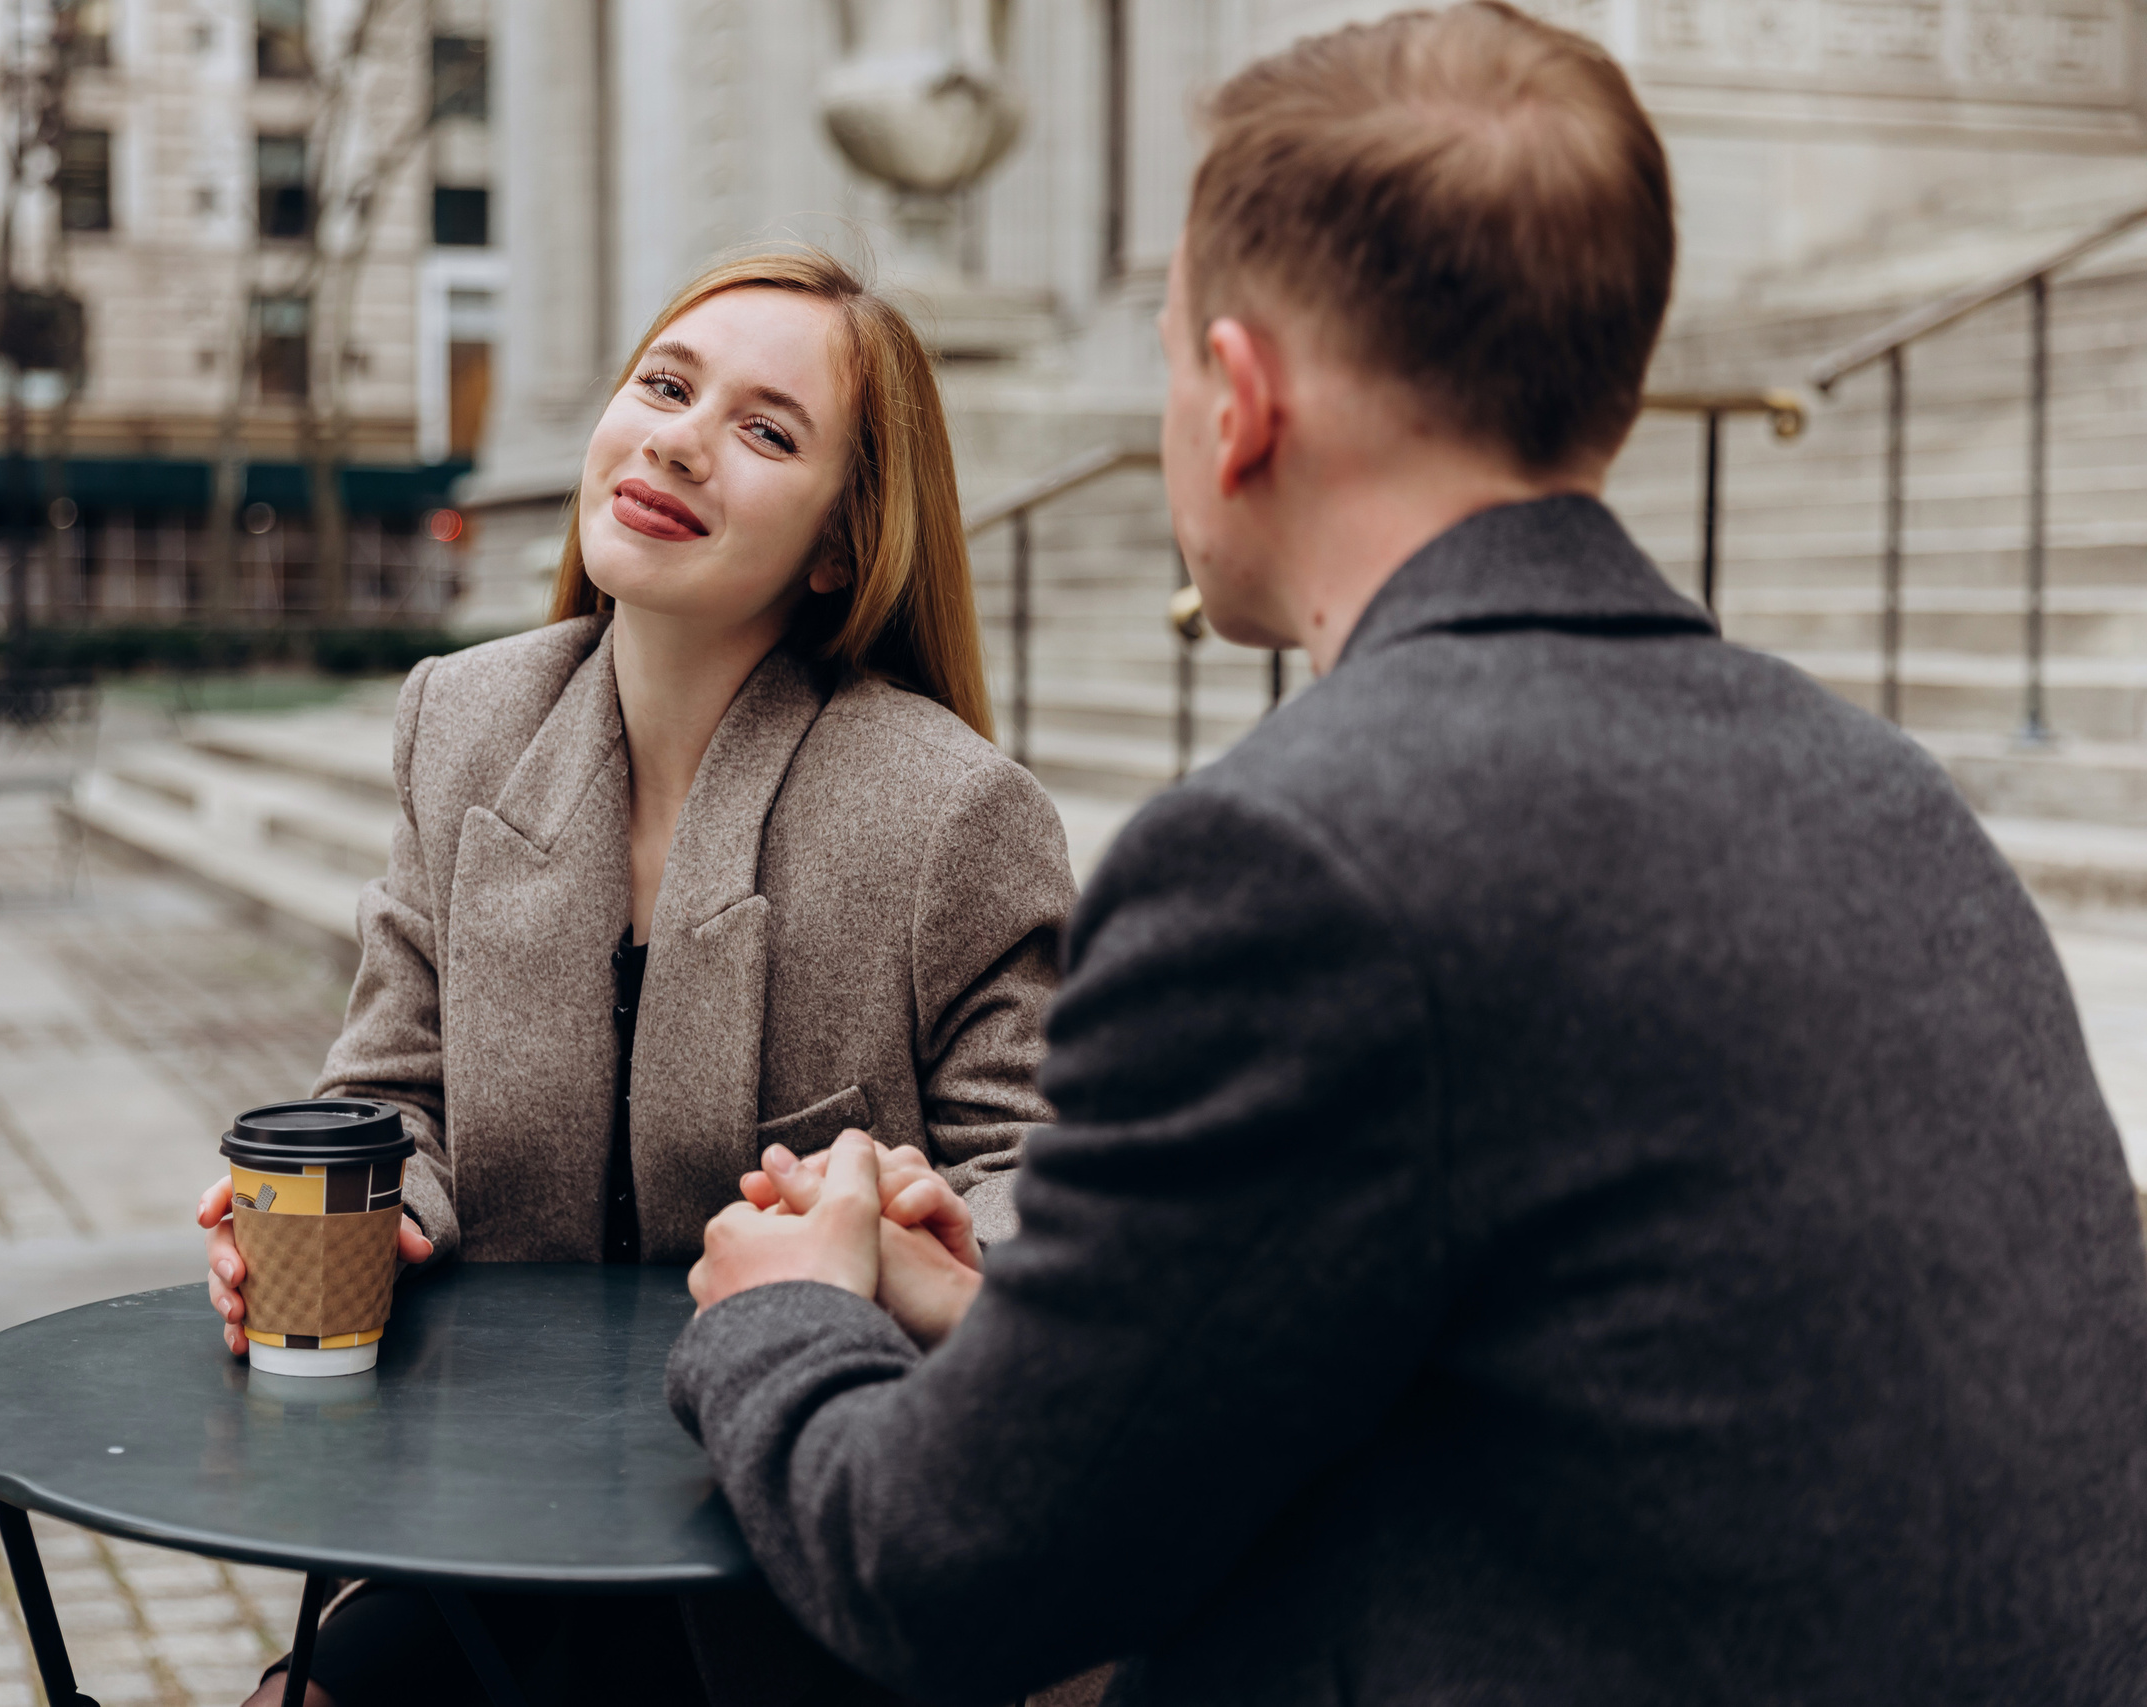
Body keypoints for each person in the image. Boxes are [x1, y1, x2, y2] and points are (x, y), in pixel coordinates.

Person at [668, 7, 2147, 1704]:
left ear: (1238, 400)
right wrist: (1016, 1323)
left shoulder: (1295, 860)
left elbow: (942, 1573)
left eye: (1170, 356)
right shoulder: (1886, 791)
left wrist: (780, 1307)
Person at [196, 249, 1079, 1706]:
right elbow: (394, 1093)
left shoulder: (951, 812)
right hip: (499, 1510)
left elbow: (1048, 1192)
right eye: (665, 386)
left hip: (795, 1541)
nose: (678, 439)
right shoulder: (462, 721)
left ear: (841, 545)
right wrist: (368, 1212)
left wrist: (907, 1234)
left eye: (766, 429)